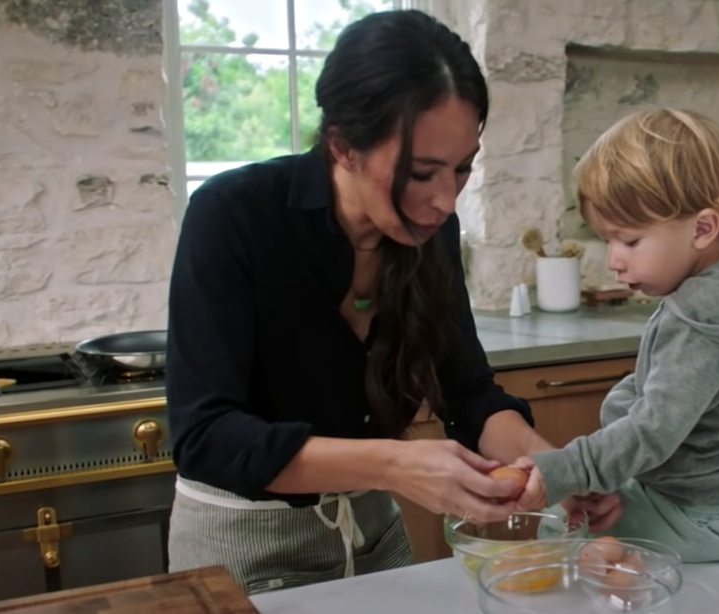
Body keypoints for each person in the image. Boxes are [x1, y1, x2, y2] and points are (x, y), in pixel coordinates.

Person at [162, 9, 613, 594]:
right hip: (242, 546)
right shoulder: (233, 216)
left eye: (461, 169)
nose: (445, 200)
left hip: (373, 537)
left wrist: (554, 469)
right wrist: (394, 464)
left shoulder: (429, 235)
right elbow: (206, 438)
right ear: (343, 146)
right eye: (422, 173)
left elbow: (468, 392)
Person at [513, 108, 719, 563]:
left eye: (629, 241)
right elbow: (661, 394)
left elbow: (653, 430)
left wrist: (569, 470)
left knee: (560, 541)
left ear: (702, 229)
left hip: (699, 517)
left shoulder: (701, 318)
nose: (614, 260)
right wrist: (609, 467)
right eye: (607, 240)